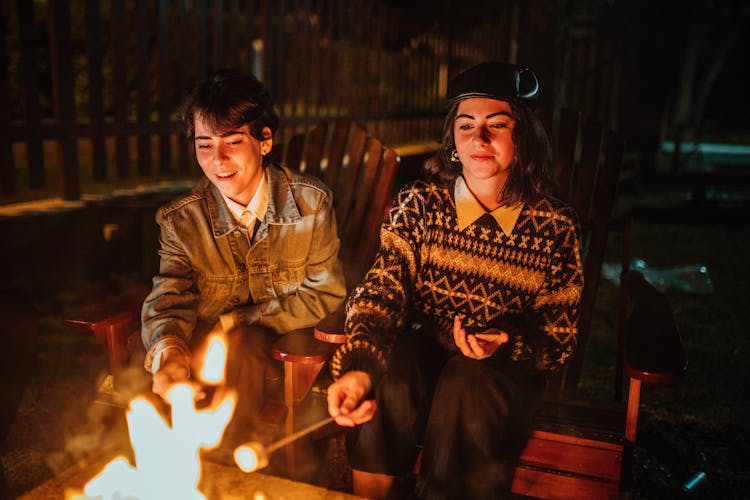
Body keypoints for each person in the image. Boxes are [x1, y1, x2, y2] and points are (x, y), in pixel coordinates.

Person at [326, 61, 583, 499]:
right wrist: (358, 366)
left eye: (496, 125)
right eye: (466, 126)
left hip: (502, 376)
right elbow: (382, 290)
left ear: (525, 137)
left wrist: (507, 341)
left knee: (469, 382)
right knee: (397, 370)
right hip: (428, 352)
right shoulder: (421, 204)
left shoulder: (554, 226)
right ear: (452, 141)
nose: (478, 139)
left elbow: (557, 336)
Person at [140, 69, 346, 448]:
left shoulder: (310, 204)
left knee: (244, 345)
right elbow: (170, 295)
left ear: (264, 140)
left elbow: (327, 294)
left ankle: (230, 466)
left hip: (280, 350)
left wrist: (239, 319)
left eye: (232, 141)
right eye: (204, 145)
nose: (217, 160)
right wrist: (169, 349)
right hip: (207, 354)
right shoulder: (181, 220)